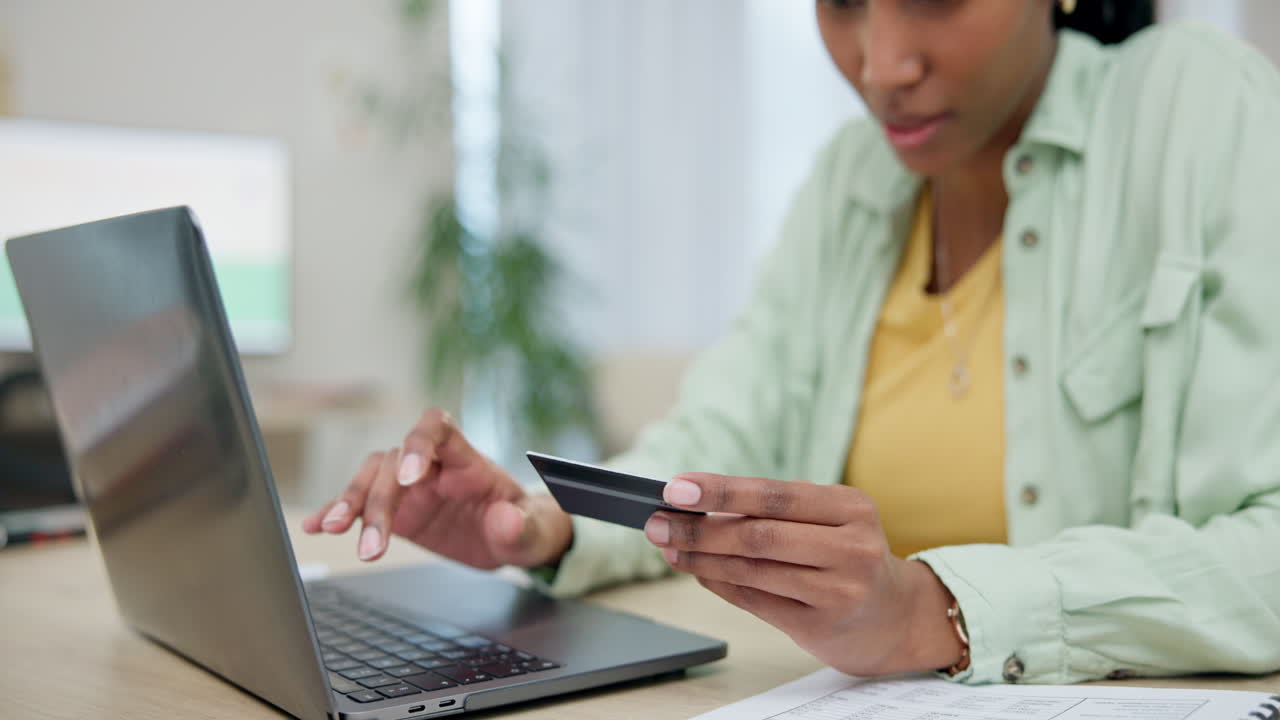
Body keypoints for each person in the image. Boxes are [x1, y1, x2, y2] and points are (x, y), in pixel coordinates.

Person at [305, 0, 1280, 684]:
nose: (879, 63)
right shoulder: (851, 181)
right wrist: (547, 524)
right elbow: (724, 434)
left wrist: (935, 609)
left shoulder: (1194, 110)